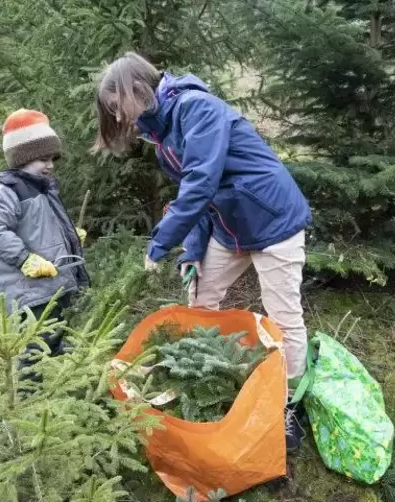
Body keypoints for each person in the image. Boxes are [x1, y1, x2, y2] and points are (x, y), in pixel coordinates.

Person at [92, 52, 312, 451]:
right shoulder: (163, 141)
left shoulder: (199, 109)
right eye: (111, 110)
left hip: (273, 220)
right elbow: (196, 200)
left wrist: (159, 244)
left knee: (284, 317)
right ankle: (202, 377)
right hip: (232, 228)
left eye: (117, 105)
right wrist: (191, 251)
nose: (119, 117)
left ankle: (290, 403)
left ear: (138, 90)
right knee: (199, 300)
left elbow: (200, 185)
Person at [0, 108, 89, 382]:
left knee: (55, 327)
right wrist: (25, 259)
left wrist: (69, 235)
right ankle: (29, 393)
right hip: (28, 287)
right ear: (23, 158)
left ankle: (56, 372)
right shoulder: (6, 190)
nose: (49, 164)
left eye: (52, 158)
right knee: (35, 341)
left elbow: (39, 225)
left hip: (51, 281)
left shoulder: (41, 185)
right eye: (42, 158)